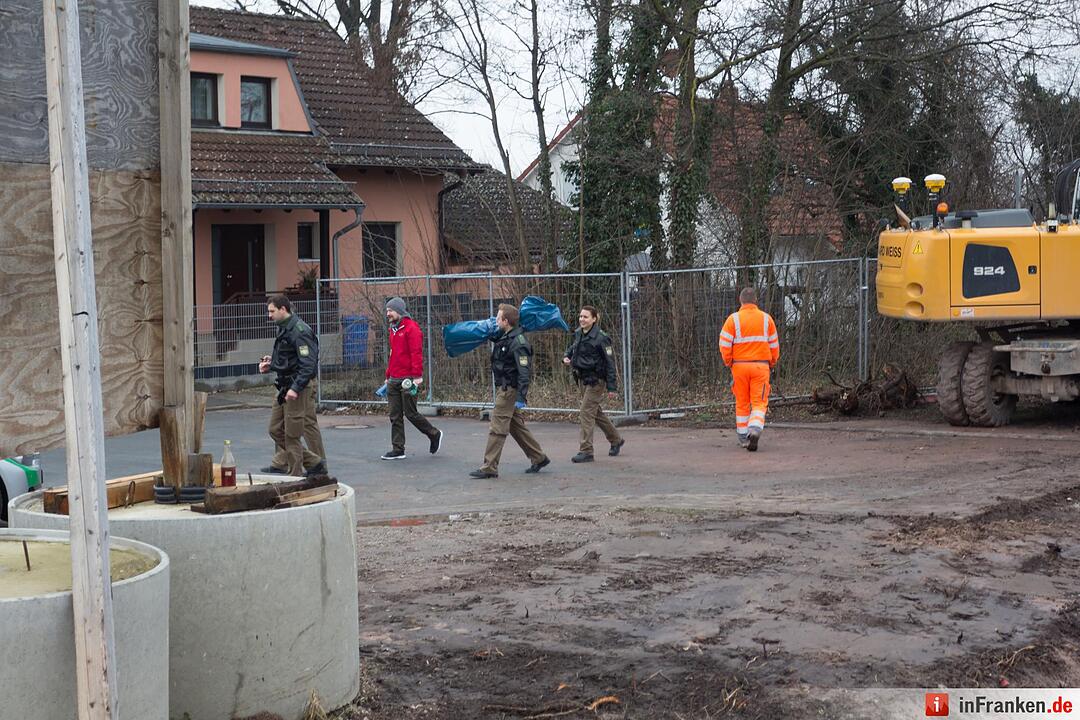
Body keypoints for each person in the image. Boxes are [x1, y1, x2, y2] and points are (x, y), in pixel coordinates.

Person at [469, 304, 550, 478]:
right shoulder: (506, 337)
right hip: (506, 389)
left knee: (497, 428)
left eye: (498, 318)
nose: (495, 321)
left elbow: (524, 372)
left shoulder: (518, 342)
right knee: (516, 427)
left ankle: (489, 466)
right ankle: (538, 457)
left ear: (506, 321)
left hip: (509, 392)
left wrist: (521, 396)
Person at [258, 294, 328, 476]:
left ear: (283, 309)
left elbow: (307, 364)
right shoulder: (284, 328)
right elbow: (289, 359)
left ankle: (296, 473)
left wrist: (295, 389)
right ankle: (314, 462)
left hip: (298, 386)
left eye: (272, 311)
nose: (269, 315)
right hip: (285, 386)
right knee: (275, 429)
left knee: (293, 432)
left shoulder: (299, 331)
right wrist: (271, 363)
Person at [380, 296, 443, 460]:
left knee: (411, 413)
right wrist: (388, 375)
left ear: (400, 311)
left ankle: (434, 434)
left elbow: (416, 353)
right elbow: (393, 354)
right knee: (395, 416)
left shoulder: (411, 328)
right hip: (394, 378)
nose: (388, 313)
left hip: (408, 378)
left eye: (391, 310)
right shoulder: (393, 330)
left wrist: (417, 376)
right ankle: (398, 449)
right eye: (387, 310)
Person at [719, 287, 780, 452]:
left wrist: (729, 362)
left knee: (742, 403)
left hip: (739, 367)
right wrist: (772, 362)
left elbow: (724, 344)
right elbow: (774, 345)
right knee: (759, 402)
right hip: (761, 366)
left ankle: (743, 437)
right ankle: (754, 429)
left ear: (741, 301)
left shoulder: (733, 320)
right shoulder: (767, 319)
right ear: (756, 301)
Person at [563, 305, 624, 463]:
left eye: (586, 317)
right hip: (582, 379)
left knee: (585, 412)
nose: (582, 319)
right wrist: (566, 357)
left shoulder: (602, 338)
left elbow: (610, 363)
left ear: (594, 319)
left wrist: (612, 387)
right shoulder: (578, 334)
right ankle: (616, 439)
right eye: (581, 316)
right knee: (595, 412)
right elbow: (572, 349)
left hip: (597, 380)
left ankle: (586, 451)